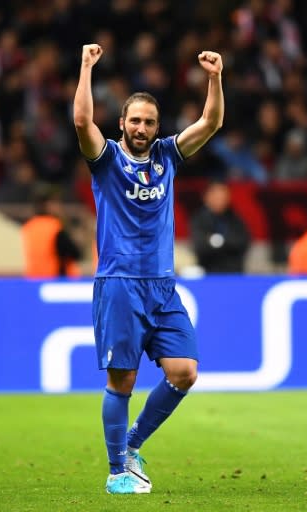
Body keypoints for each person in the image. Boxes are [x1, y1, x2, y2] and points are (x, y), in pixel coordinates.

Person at [73, 43, 224, 494]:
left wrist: (215, 77)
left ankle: (132, 445)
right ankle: (117, 471)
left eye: (149, 122)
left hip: (162, 285)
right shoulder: (105, 160)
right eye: (134, 120)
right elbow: (82, 121)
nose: (141, 128)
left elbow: (211, 122)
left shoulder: (167, 156)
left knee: (184, 371)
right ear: (121, 124)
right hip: (119, 283)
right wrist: (86, 67)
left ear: (157, 128)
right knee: (124, 380)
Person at [190, 180, 250, 274]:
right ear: (207, 197)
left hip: (234, 273)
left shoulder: (235, 218)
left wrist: (217, 240)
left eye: (223, 197)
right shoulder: (200, 219)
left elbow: (242, 242)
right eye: (217, 197)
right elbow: (200, 245)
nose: (220, 200)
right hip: (208, 273)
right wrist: (224, 243)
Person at [21, 189, 83, 278]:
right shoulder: (54, 227)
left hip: (33, 279)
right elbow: (75, 253)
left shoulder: (28, 226)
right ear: (48, 205)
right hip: (55, 279)